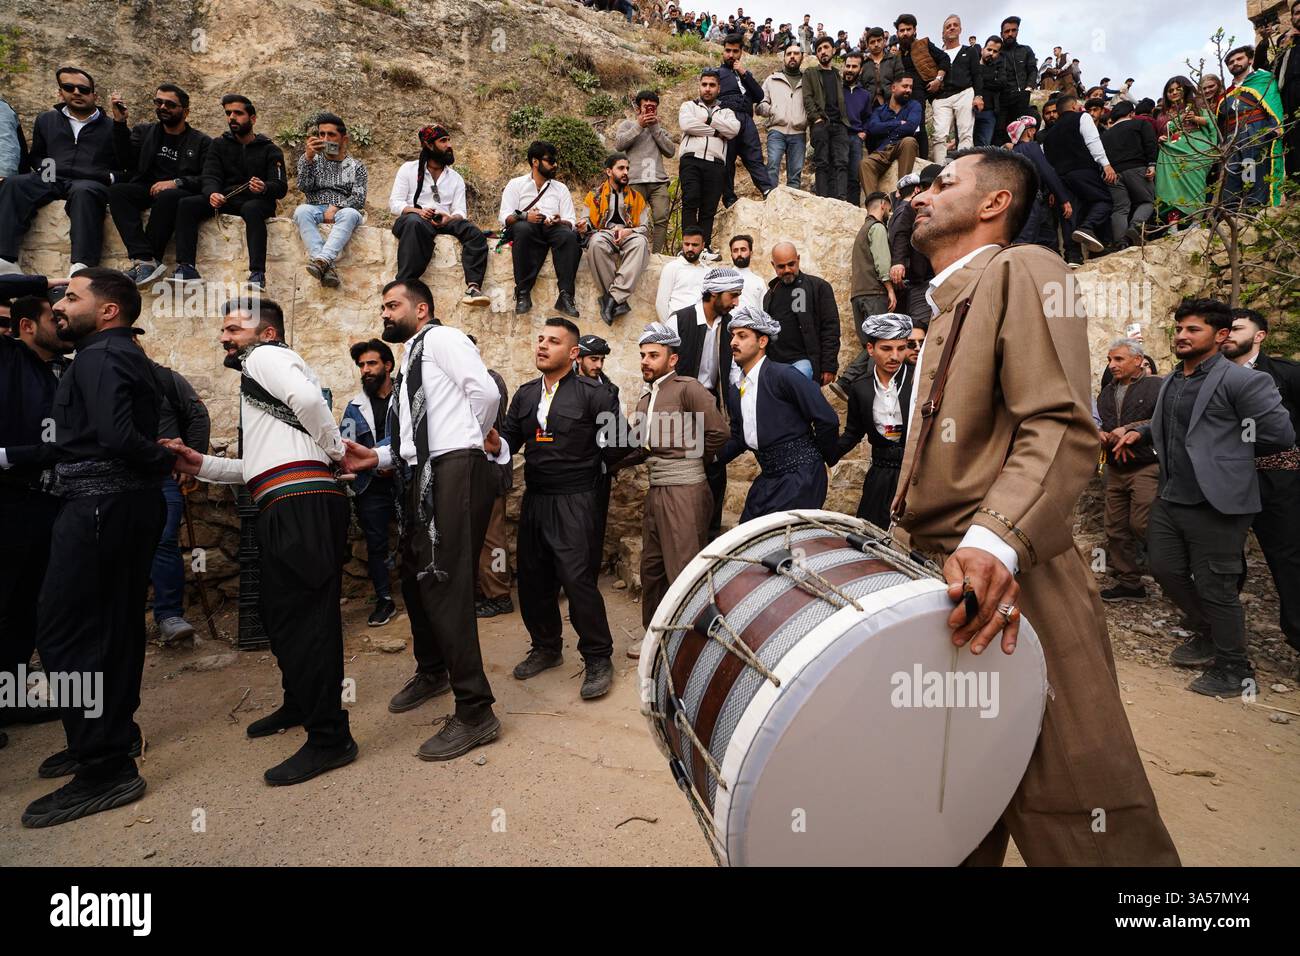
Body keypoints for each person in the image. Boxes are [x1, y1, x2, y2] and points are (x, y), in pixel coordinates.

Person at [895, 146, 1179, 865]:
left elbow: (1057, 424)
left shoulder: (1023, 269)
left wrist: (994, 545)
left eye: (945, 182)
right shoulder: (944, 306)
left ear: (994, 204)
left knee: (1082, 804)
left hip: (1016, 580)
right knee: (950, 798)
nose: (925, 194)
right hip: (945, 577)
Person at [168, 296, 356, 783]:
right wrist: (201, 464)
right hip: (285, 500)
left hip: (302, 503)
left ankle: (330, 738)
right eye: (224, 329)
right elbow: (262, 466)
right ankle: (300, 703)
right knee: (280, 613)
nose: (224, 338)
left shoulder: (266, 358)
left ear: (266, 333)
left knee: (308, 618)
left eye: (233, 328)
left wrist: (336, 451)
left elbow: (313, 405)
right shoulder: (259, 382)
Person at [21, 270, 175, 827]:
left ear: (108, 311)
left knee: (67, 632)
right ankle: (109, 736)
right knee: (111, 627)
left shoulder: (100, 357)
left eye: (71, 297)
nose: (59, 307)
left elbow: (115, 438)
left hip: (100, 507)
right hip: (113, 506)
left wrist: (162, 458)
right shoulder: (114, 354)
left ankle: (104, 766)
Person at [339, 280, 504, 760]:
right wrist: (376, 458)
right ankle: (433, 669)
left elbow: (485, 393)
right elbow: (413, 436)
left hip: (451, 468)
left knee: (445, 581)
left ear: (422, 308)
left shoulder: (444, 339)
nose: (385, 313)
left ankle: (476, 711)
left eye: (393, 305)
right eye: (383, 305)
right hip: (420, 472)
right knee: (415, 578)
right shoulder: (410, 358)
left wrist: (461, 444)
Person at [1114, 299, 1293, 696]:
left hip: (1218, 501)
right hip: (1172, 494)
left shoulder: (1242, 381)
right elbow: (1172, 422)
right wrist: (1140, 433)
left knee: (1217, 586)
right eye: (1179, 328)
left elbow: (1279, 433)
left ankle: (1235, 668)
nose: (1181, 335)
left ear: (1221, 335)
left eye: (1193, 330)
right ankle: (1208, 632)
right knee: (1164, 569)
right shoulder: (1174, 380)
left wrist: (1226, 444)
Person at [496, 317, 628, 701]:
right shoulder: (523, 395)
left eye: (552, 341)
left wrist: (590, 475)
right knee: (533, 580)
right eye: (539, 339)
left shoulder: (595, 395)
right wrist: (493, 443)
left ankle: (598, 657)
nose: (542, 346)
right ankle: (547, 647)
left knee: (577, 580)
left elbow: (619, 445)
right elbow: (508, 438)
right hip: (535, 497)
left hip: (577, 499)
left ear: (572, 353)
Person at [612, 322, 728, 653]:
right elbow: (641, 446)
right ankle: (656, 635)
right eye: (642, 356)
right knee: (652, 568)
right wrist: (607, 464)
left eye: (653, 355)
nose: (646, 361)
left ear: (672, 359)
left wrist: (691, 459)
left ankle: (691, 643)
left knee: (684, 569)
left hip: (686, 490)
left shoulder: (687, 388)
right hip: (657, 490)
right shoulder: (645, 398)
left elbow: (718, 432)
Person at [0, 294, 71, 733]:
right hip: (9, 504)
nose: (62, 323)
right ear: (26, 325)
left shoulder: (60, 368)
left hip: (45, 506)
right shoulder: (8, 359)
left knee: (24, 609)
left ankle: (9, 700)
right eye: (53, 317)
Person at [1221, 308, 1300, 662]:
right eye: (1225, 329)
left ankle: (1298, 641)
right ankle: (1222, 640)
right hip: (1223, 484)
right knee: (1223, 560)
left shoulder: (1287, 375)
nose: (1228, 334)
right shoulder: (1208, 377)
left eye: (1237, 328)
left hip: (1279, 483)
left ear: (1259, 336)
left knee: (1287, 560)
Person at [716, 305, 839, 520]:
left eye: (742, 336)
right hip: (769, 479)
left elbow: (826, 418)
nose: (733, 342)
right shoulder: (735, 390)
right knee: (748, 537)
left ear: (762, 341)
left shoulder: (784, 375)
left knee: (784, 546)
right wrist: (710, 458)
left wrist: (820, 458)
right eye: (733, 336)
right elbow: (739, 437)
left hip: (801, 478)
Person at [0, 68, 122, 276]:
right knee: (15, 184)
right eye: (69, 87)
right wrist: (46, 170)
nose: (76, 92)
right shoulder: (46, 120)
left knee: (85, 193)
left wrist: (105, 177)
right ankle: (4, 258)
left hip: (88, 181)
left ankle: (82, 264)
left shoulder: (111, 127)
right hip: (52, 176)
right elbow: (37, 155)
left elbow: (125, 164)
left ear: (94, 95)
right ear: (60, 92)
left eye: (83, 89)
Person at [172, 94, 287, 289]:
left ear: (253, 118)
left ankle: (257, 273)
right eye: (228, 113)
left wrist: (265, 187)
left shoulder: (270, 149)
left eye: (238, 113)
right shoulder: (218, 145)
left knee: (252, 209)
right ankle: (187, 267)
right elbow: (210, 176)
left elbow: (281, 186)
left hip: (257, 201)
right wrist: (212, 194)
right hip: (227, 199)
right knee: (187, 204)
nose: (232, 117)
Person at [109, 83, 212, 288]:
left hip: (179, 191)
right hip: (146, 186)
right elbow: (126, 162)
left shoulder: (201, 142)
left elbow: (207, 177)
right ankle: (144, 259)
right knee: (118, 192)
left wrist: (176, 182)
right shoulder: (144, 132)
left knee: (168, 197)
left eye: (170, 104)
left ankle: (150, 259)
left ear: (185, 111)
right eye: (159, 102)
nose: (163, 107)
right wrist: (120, 124)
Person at [669, 267, 745, 540]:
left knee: (715, 465)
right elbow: (662, 366)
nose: (736, 302)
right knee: (682, 466)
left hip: (712, 403)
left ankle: (710, 532)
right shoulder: (680, 320)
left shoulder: (732, 326)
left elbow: (734, 371)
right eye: (733, 295)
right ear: (714, 293)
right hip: (682, 403)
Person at [147, 351, 210, 645]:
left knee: (163, 540)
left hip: (164, 476)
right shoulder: (96, 377)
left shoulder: (165, 379)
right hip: (114, 476)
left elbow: (198, 416)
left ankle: (169, 615)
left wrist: (192, 465)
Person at [388, 125, 489, 305]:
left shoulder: (455, 178)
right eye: (443, 141)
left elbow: (460, 211)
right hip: (414, 218)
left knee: (474, 233)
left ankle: (473, 287)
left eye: (449, 140)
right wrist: (419, 211)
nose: (449, 145)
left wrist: (449, 218)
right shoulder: (408, 169)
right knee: (415, 224)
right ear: (428, 144)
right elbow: (395, 204)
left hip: (444, 220)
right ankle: (404, 284)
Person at [831, 312, 914, 528]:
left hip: (913, 477)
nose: (895, 356)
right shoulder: (860, 388)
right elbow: (852, 433)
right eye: (886, 348)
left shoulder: (919, 381)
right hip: (879, 477)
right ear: (870, 349)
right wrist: (824, 456)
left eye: (901, 348)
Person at [1096, 339, 1163, 601]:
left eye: (1118, 360)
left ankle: (1178, 574)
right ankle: (1130, 583)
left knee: (1142, 524)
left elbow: (1164, 420)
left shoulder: (1158, 386)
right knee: (1115, 528)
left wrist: (1132, 430)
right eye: (1110, 360)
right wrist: (1101, 434)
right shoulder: (1106, 393)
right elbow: (1103, 422)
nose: (1112, 365)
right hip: (1116, 468)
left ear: (1138, 360)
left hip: (1146, 465)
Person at [341, 338, 398, 627]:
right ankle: (384, 599)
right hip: (370, 487)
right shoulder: (354, 407)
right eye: (362, 365)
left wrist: (382, 457)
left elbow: (412, 435)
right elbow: (347, 443)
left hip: (407, 480)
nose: (365, 369)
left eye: (372, 363)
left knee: (418, 536)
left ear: (388, 365)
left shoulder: (407, 398)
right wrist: (376, 465)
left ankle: (424, 593)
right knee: (376, 544)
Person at [499, 140, 581, 317]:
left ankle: (566, 295)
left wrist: (559, 221)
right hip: (526, 227)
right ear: (535, 162)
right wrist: (524, 216)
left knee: (568, 236)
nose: (555, 165)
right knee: (523, 229)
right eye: (550, 160)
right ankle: (522, 293)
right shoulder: (516, 184)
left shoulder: (561, 189)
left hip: (551, 228)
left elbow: (571, 220)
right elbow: (504, 217)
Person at [289, 112, 367, 289]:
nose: (325, 138)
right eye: (321, 134)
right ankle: (325, 263)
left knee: (350, 214)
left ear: (344, 139)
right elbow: (304, 187)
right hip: (315, 207)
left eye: (331, 134)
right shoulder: (312, 160)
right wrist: (307, 159)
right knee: (301, 211)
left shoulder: (355, 166)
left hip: (343, 210)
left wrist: (337, 206)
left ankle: (321, 260)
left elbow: (359, 198)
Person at [833, 191, 897, 396]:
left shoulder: (863, 229)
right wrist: (890, 290)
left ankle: (859, 391)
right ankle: (847, 381)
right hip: (874, 294)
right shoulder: (877, 228)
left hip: (858, 296)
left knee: (871, 346)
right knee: (880, 343)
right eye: (889, 206)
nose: (889, 210)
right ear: (883, 205)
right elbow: (882, 262)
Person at [1040, 93, 1117, 262]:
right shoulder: (1082, 117)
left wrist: (1054, 189)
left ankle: (1073, 256)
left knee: (1069, 214)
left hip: (1061, 178)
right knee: (1104, 201)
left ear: (1058, 112)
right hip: (1083, 170)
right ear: (1074, 106)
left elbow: (1048, 164)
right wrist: (1106, 164)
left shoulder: (1048, 136)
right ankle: (1088, 227)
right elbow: (1093, 141)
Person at [470, 334, 515, 620]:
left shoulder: (490, 381)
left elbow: (486, 426)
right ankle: (481, 589)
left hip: (489, 471)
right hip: (469, 473)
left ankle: (500, 595)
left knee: (493, 540)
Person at [580, 152, 651, 325]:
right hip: (603, 233)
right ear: (609, 171)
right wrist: (583, 226)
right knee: (595, 243)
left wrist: (628, 231)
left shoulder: (637, 198)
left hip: (629, 234)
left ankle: (611, 298)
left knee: (641, 243)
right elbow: (587, 222)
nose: (626, 172)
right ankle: (619, 300)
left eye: (627, 168)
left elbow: (645, 227)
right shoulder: (593, 196)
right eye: (621, 168)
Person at [677, 70, 740, 257]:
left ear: (718, 88)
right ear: (699, 86)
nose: (707, 89)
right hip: (691, 160)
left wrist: (709, 119)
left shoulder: (727, 112)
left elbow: (733, 129)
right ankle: (688, 246)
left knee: (709, 207)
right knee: (691, 200)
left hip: (716, 163)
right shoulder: (689, 106)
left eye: (712, 85)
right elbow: (687, 125)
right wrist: (715, 131)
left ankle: (703, 248)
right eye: (704, 84)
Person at [762, 241, 839, 385]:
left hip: (804, 362)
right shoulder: (770, 294)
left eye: (791, 264)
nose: (787, 270)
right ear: (773, 265)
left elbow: (831, 328)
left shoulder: (819, 287)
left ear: (798, 259)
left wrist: (829, 366)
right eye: (781, 266)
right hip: (775, 365)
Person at [1218, 45, 1284, 208]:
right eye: (1231, 62)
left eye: (1239, 59)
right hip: (1231, 137)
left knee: (1251, 170)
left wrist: (1274, 126)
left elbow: (1273, 104)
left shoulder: (1263, 80)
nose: (1235, 63)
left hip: (1254, 131)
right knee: (1231, 173)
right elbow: (1219, 122)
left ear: (1250, 59)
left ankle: (1253, 208)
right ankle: (1232, 211)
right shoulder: (1227, 93)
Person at [613, 91, 677, 253]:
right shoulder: (628, 125)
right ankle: (632, 251)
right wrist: (639, 126)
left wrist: (655, 128)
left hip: (658, 182)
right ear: (638, 109)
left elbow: (670, 151)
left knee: (661, 219)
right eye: (645, 107)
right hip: (634, 180)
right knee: (632, 219)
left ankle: (657, 254)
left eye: (653, 108)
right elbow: (619, 145)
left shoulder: (660, 130)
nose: (649, 111)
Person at [717, 33, 774, 207]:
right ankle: (729, 198)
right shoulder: (716, 73)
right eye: (728, 51)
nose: (731, 55)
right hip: (727, 117)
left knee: (755, 157)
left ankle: (768, 191)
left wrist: (744, 73)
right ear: (723, 52)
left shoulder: (744, 74)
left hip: (747, 120)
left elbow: (759, 95)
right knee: (727, 160)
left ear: (741, 52)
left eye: (735, 51)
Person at [575, 333, 619, 561]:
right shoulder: (564, 387)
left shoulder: (611, 391)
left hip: (599, 471)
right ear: (578, 358)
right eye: (593, 359)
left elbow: (614, 434)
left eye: (602, 360)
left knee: (595, 528)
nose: (599, 365)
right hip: (570, 470)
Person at [1155, 76, 1219, 229]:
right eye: (1170, 91)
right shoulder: (1162, 114)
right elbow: (1161, 132)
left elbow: (1212, 122)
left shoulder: (1196, 105)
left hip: (1195, 150)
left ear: (1186, 89)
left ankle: (1196, 222)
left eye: (1178, 89)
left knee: (1195, 185)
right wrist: (1161, 137)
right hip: (1172, 153)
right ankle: (1173, 225)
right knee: (1171, 188)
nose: (1174, 93)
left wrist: (1196, 118)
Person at [1006, 115, 1072, 252]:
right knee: (1026, 240)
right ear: (1030, 131)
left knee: (1045, 236)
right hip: (1031, 199)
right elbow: (1047, 171)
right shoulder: (1031, 147)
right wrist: (1063, 198)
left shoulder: (1013, 152)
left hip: (1019, 199)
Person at [1100, 101, 1158, 247]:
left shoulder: (1105, 135)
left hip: (1112, 174)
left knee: (1120, 208)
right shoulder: (1140, 124)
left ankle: (1121, 242)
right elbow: (1150, 143)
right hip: (1137, 169)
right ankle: (1135, 227)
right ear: (1132, 113)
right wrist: (1152, 164)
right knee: (1147, 201)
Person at [888, 165, 940, 325]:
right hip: (922, 279)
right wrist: (898, 262)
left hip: (947, 276)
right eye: (924, 187)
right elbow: (901, 234)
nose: (927, 191)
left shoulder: (952, 204)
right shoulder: (913, 206)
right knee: (921, 326)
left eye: (932, 186)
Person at [802, 36, 851, 202]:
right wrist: (816, 119)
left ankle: (841, 199)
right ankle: (822, 199)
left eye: (825, 47)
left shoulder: (838, 75)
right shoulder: (811, 73)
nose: (823, 51)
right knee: (822, 162)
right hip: (821, 124)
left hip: (840, 124)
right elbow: (807, 97)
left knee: (841, 162)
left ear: (833, 50)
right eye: (819, 49)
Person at [932, 15, 984, 164]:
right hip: (942, 98)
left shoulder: (970, 51)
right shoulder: (937, 55)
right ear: (943, 33)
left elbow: (977, 75)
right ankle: (939, 171)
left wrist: (978, 96)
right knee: (939, 135)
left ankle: (963, 169)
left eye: (955, 25)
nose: (952, 28)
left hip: (965, 93)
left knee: (965, 133)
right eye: (948, 26)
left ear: (960, 29)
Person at [1255, 7, 1300, 180]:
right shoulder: (1286, 43)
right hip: (1289, 100)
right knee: (1293, 144)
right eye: (1296, 13)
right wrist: (1266, 43)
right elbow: (1264, 68)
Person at [861, 75, 922, 198]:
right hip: (883, 149)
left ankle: (903, 192)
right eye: (905, 86)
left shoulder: (914, 106)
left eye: (911, 87)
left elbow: (911, 127)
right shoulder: (879, 110)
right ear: (893, 88)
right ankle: (875, 204)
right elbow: (873, 128)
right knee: (865, 163)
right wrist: (898, 123)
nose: (909, 90)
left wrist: (884, 128)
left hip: (902, 145)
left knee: (909, 141)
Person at [757, 42, 807, 189]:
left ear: (802, 57)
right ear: (784, 58)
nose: (792, 56)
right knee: (772, 168)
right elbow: (760, 105)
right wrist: (772, 110)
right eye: (789, 54)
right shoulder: (772, 79)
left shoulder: (808, 81)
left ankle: (791, 209)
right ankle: (771, 204)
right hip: (776, 131)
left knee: (795, 175)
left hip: (799, 133)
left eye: (796, 54)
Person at [994, 16, 1037, 145]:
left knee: (1021, 133)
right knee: (1000, 132)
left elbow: (1032, 70)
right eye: (1007, 31)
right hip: (1001, 99)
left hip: (1021, 97)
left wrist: (1028, 88)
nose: (1010, 34)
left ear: (1017, 31)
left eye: (1013, 30)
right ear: (1001, 33)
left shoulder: (1025, 50)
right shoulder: (997, 53)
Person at [842, 52, 875, 207]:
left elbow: (868, 117)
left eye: (854, 66)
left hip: (856, 137)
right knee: (837, 172)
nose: (850, 69)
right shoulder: (837, 89)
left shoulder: (865, 95)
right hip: (838, 135)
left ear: (860, 70)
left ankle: (853, 209)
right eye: (847, 66)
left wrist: (865, 132)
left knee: (854, 176)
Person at [655, 226, 709, 320]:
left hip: (701, 326)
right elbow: (661, 303)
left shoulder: (708, 272)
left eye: (695, 245)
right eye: (686, 244)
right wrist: (669, 329)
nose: (690, 248)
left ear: (703, 245)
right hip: (676, 324)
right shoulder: (672, 268)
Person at [861, 26, 903, 107]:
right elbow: (860, 85)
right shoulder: (864, 63)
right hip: (868, 106)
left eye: (879, 40)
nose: (876, 44)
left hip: (891, 104)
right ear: (867, 45)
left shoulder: (894, 59)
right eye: (872, 42)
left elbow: (899, 80)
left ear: (884, 41)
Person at [973, 37, 1004, 147]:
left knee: (983, 149)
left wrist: (980, 79)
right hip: (969, 111)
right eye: (989, 49)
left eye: (995, 51)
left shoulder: (998, 69)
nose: (991, 53)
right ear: (982, 50)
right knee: (963, 145)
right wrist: (989, 79)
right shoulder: (972, 66)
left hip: (989, 113)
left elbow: (1001, 83)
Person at [727, 234, 766, 312]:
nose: (739, 254)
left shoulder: (759, 282)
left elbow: (764, 311)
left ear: (751, 253)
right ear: (731, 254)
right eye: (735, 250)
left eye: (743, 249)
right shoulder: (724, 279)